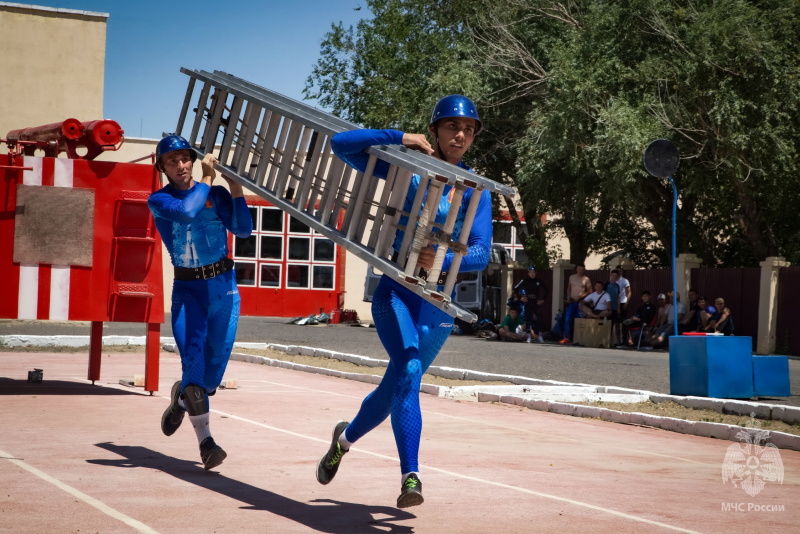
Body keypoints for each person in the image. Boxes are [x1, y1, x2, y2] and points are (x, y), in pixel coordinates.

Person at [315, 95, 493, 508]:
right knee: (409, 367)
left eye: (468, 128)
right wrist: (399, 137)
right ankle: (410, 476)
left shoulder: (476, 192)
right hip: (395, 292)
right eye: (451, 126)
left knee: (400, 383)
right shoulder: (406, 167)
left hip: (437, 306)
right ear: (434, 131)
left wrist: (444, 257)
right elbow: (341, 144)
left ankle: (342, 440)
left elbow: (482, 253)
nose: (461, 134)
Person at [149, 135, 253, 470]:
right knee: (194, 370)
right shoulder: (160, 201)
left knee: (208, 382)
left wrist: (235, 187)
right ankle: (207, 443)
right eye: (172, 161)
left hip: (225, 291)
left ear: (192, 159)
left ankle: (181, 399)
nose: (180, 166)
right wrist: (208, 178)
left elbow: (243, 229)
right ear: (162, 167)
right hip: (189, 292)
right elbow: (189, 211)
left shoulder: (216, 194)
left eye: (184, 159)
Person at [513, 266, 549, 342]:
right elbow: (515, 288)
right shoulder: (524, 280)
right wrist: (520, 297)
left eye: (533, 272)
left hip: (536, 302)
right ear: (528, 273)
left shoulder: (538, 281)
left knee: (539, 319)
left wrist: (543, 299)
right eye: (530, 272)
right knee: (527, 319)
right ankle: (528, 336)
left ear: (535, 273)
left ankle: (540, 335)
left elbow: (547, 290)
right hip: (528, 302)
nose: (532, 274)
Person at [560, 264, 592, 344]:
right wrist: (568, 298)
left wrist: (580, 296)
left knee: (579, 320)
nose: (580, 271)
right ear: (576, 269)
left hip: (580, 302)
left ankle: (579, 338)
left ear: (584, 270)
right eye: (579, 269)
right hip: (572, 301)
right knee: (567, 319)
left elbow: (590, 291)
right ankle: (566, 337)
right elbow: (569, 288)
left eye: (582, 269)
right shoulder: (572, 277)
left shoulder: (586, 279)